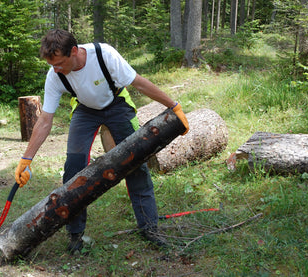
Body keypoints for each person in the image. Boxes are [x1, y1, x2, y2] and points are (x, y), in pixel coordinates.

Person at [15, 29, 189, 254]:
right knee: (73, 170)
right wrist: (26, 159)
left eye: (59, 63)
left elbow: (140, 84)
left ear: (74, 51)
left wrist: (173, 106)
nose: (55, 69)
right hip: (85, 110)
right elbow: (45, 120)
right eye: (52, 64)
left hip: (117, 105)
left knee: (135, 163)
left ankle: (149, 227)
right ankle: (75, 235)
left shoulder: (104, 55)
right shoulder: (55, 74)